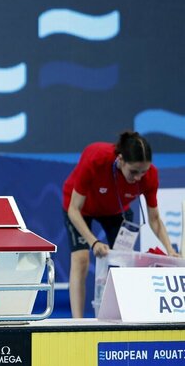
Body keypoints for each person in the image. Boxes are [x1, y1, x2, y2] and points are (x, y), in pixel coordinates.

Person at [63, 131, 179, 318]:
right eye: (134, 171)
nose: (139, 178)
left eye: (144, 171)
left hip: (116, 211)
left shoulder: (150, 176)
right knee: (81, 259)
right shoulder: (96, 158)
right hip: (81, 208)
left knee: (121, 263)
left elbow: (154, 219)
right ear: (120, 160)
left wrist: (170, 249)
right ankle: (78, 323)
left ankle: (117, 317)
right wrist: (94, 242)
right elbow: (73, 210)